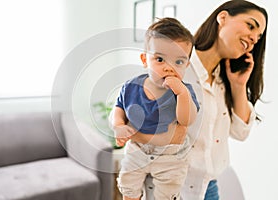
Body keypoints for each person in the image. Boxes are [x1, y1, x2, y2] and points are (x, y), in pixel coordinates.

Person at [177, 1, 267, 199]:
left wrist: (239, 86)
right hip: (173, 187)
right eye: (250, 26)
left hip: (208, 188)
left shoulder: (223, 80)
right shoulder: (178, 67)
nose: (253, 38)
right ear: (223, 17)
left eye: (258, 37)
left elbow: (240, 131)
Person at [109, 17, 200, 200]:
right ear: (145, 60)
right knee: (127, 182)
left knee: (169, 187)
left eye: (179, 62)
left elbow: (187, 120)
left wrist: (181, 93)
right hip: (138, 149)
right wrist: (118, 124)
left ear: (187, 65)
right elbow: (118, 107)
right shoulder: (132, 86)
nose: (169, 68)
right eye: (160, 59)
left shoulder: (184, 92)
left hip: (170, 156)